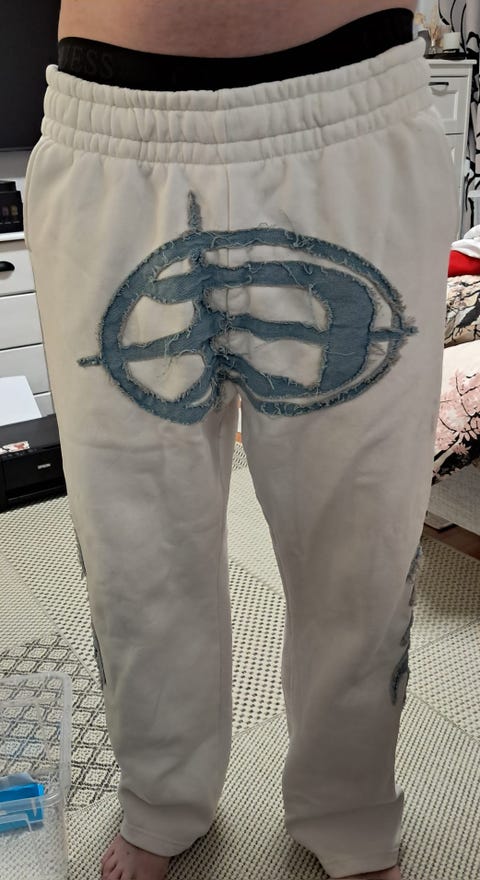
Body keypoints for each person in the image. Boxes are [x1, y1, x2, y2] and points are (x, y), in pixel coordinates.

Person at [24, 2, 457, 879]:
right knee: (133, 549)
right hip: (111, 135)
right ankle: (161, 794)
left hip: (352, 118)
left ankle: (351, 801)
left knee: (362, 546)